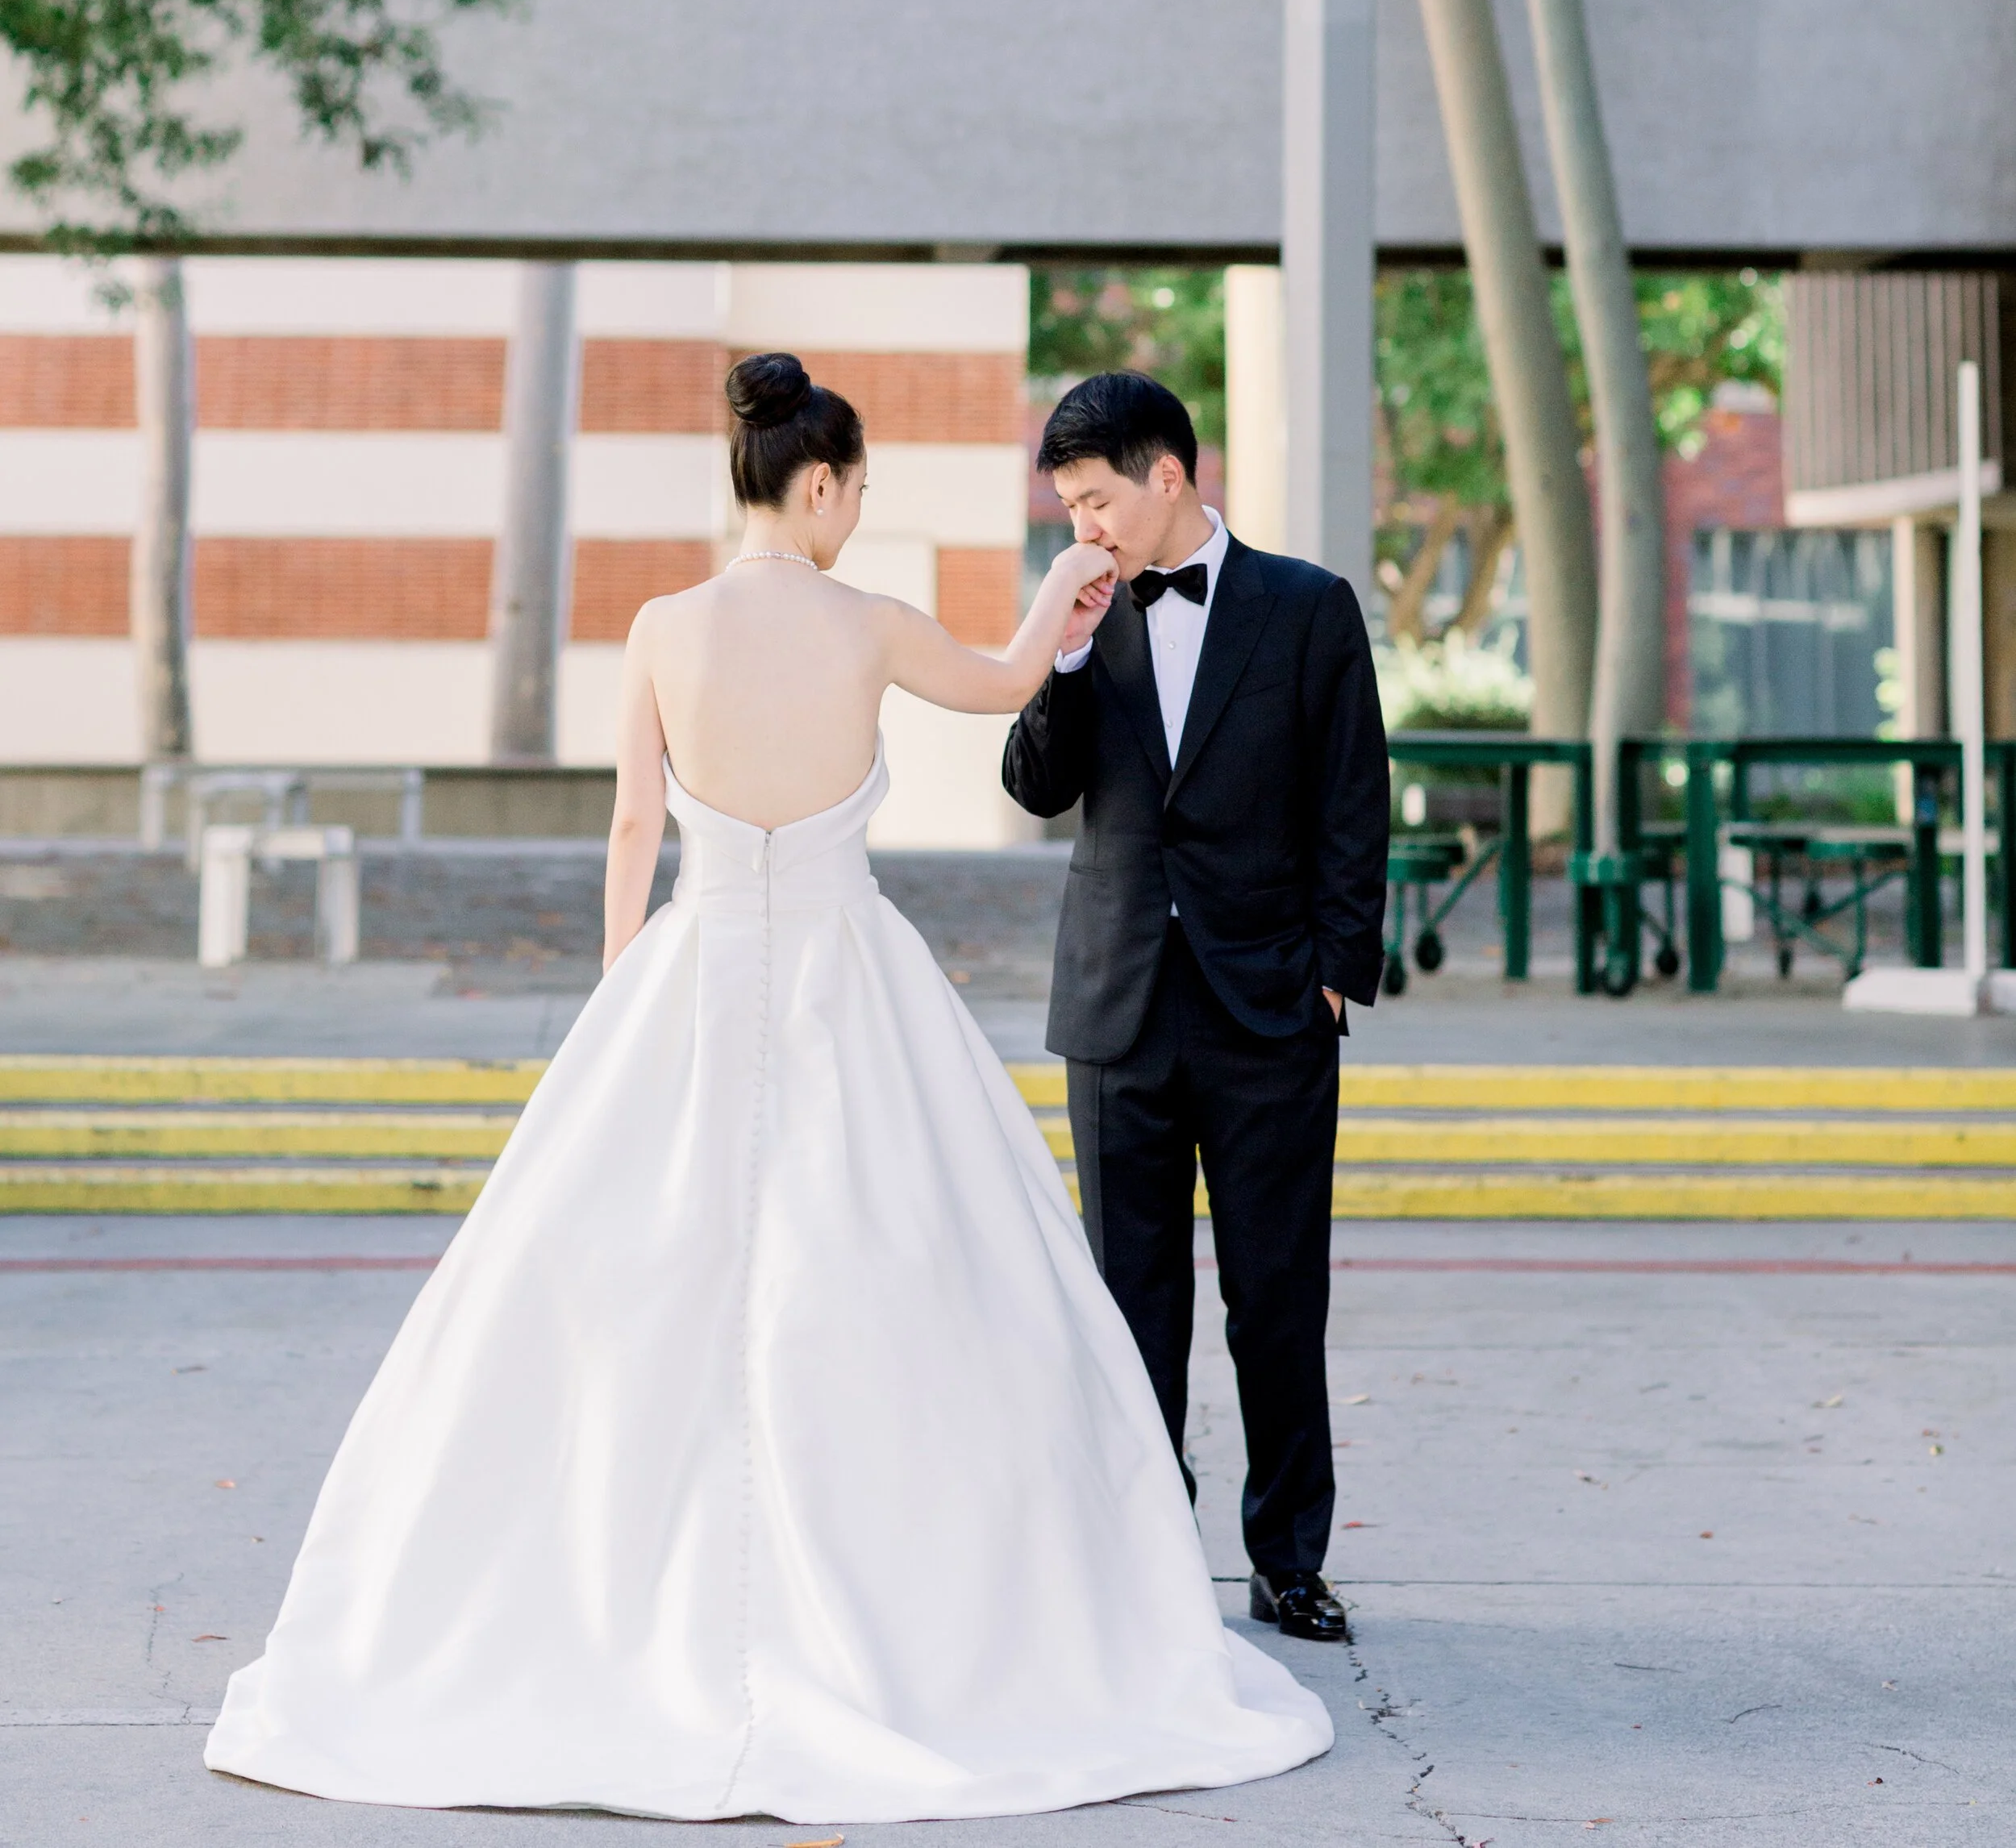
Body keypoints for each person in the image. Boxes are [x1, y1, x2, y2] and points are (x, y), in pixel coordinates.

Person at [206, 352, 1331, 1822]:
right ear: (817, 483)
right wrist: (1065, 599)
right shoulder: (864, 626)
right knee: (897, 1277)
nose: (857, 513)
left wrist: (624, 1001)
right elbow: (1005, 686)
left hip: (697, 965)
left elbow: (629, 827)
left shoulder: (662, 627)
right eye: (858, 490)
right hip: (846, 976)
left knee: (621, 1299)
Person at [1004, 371, 1389, 1646]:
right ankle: (1145, 1556)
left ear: (1167, 475)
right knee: (1131, 1303)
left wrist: (1336, 971)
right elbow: (1035, 786)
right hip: (1118, 1006)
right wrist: (1059, 650)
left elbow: (1354, 802)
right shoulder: (1079, 606)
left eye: (1097, 498)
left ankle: (1289, 1558)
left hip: (1270, 1003)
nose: (1084, 526)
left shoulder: (1307, 607)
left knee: (1277, 1298)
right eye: (1068, 504)